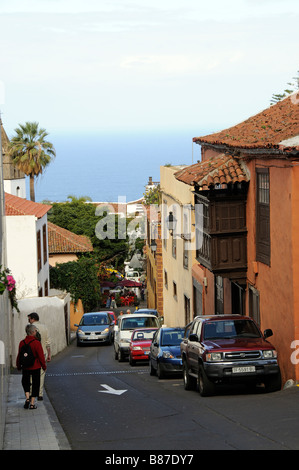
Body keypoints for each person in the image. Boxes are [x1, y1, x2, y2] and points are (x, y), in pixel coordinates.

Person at [16, 324, 46, 409]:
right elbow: (41, 356)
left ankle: (27, 398)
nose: (36, 332)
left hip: (25, 366)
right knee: (36, 384)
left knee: (25, 382)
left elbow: (19, 355)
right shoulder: (36, 343)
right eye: (36, 330)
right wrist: (44, 366)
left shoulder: (22, 342)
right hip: (35, 366)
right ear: (32, 332)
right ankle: (32, 403)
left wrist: (18, 365)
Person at [27, 312, 51, 401]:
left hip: (32, 354)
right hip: (43, 353)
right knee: (41, 374)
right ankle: (40, 394)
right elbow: (48, 342)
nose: (29, 321)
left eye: (29, 319)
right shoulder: (45, 327)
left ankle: (30, 393)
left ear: (33, 319)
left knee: (31, 374)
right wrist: (49, 354)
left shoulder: (30, 328)